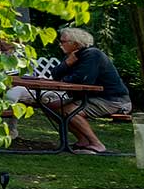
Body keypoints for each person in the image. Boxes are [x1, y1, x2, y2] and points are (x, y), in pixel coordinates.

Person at [8, 25, 134, 153]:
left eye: (63, 41)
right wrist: (67, 63)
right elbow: (55, 74)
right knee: (48, 106)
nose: (60, 44)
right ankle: (83, 140)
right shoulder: (73, 56)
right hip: (91, 97)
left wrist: (65, 79)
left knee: (68, 110)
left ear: (75, 43)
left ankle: (97, 144)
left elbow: (83, 79)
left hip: (113, 100)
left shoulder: (92, 55)